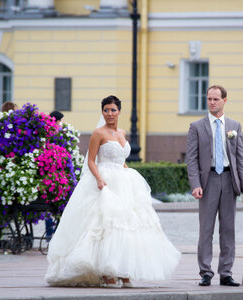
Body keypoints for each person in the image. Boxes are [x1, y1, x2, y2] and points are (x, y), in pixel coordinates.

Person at [45, 95, 180, 288]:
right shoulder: (98, 133)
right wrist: (100, 179)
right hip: (104, 180)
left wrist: (128, 174)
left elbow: (120, 158)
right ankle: (106, 272)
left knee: (128, 225)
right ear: (102, 112)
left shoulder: (123, 132)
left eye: (113, 110)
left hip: (123, 181)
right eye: (106, 110)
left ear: (119, 112)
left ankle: (123, 270)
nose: (109, 113)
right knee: (105, 225)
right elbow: (91, 160)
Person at [186, 85, 243, 287]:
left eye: (215, 99)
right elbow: (192, 159)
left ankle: (226, 273)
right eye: (209, 99)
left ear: (224, 100)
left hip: (230, 180)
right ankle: (205, 272)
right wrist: (195, 184)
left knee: (228, 229)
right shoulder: (196, 126)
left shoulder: (234, 126)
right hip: (208, 181)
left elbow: (240, 159)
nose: (211, 102)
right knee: (206, 229)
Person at [43, 111, 65, 242]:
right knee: (52, 204)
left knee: (50, 205)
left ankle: (50, 232)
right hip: (54, 171)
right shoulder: (55, 134)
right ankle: (52, 231)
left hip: (53, 172)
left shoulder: (51, 132)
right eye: (60, 121)